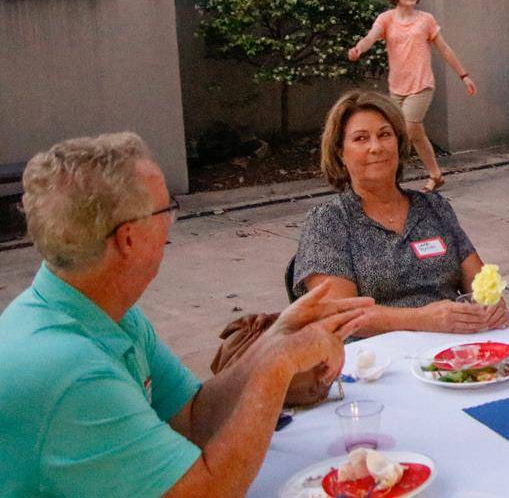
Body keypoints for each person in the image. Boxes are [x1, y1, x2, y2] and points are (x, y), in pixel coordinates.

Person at [0, 132, 371, 496]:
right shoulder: (72, 372)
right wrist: (277, 368)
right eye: (167, 209)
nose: (170, 224)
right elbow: (206, 490)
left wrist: (275, 341)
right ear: (128, 238)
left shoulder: (102, 308)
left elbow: (193, 417)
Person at [293, 90, 509, 335]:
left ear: (398, 142)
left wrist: (491, 302)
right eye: (361, 139)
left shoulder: (433, 207)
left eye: (385, 135)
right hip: (374, 362)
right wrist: (423, 319)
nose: (376, 147)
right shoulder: (328, 222)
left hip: (453, 350)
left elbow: (478, 280)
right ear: (341, 153)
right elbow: (340, 315)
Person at [348, 0, 477, 192]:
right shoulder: (386, 19)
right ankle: (435, 174)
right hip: (397, 87)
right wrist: (359, 48)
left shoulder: (426, 20)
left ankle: (391, 177)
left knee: (407, 127)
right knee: (415, 133)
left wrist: (464, 75)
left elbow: (444, 49)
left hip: (422, 84)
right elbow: (370, 37)